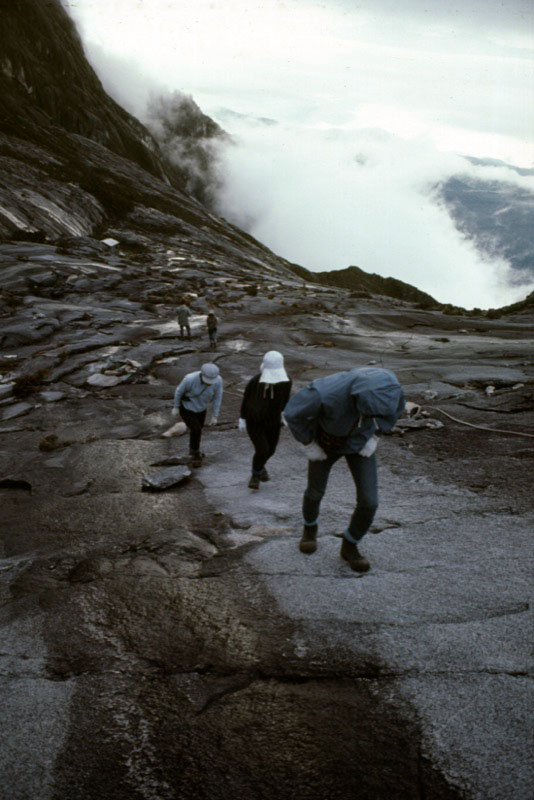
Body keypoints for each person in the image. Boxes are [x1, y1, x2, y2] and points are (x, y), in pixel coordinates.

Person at [283, 367, 404, 572]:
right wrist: (308, 444)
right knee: (315, 492)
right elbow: (292, 414)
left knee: (369, 501)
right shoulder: (323, 392)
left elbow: (394, 410)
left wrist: (375, 436)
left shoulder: (391, 390)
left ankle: (350, 545)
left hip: (360, 443)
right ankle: (309, 529)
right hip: (325, 443)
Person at [238, 351, 292, 489]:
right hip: (254, 420)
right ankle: (255, 475)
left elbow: (285, 400)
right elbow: (246, 400)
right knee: (262, 449)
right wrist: (242, 418)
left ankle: (260, 467)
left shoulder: (286, 381)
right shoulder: (255, 382)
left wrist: (284, 414)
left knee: (271, 450)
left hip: (274, 420)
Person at [172, 363, 223, 467]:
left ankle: (193, 449)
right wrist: (176, 406)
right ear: (201, 375)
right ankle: (195, 454)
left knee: (198, 430)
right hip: (187, 407)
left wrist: (215, 415)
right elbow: (179, 391)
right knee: (196, 429)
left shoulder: (218, 381)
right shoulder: (189, 379)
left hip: (202, 408)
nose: (209, 384)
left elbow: (218, 397)